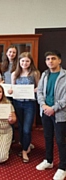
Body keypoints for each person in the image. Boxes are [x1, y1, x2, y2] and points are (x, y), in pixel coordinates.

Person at [36, 50, 66, 180]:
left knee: (60, 140)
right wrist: (43, 106)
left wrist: (54, 108)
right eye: (48, 59)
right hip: (45, 111)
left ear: (59, 60)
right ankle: (49, 161)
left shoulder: (65, 76)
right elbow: (40, 91)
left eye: (53, 58)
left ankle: (63, 167)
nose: (50, 61)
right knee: (47, 137)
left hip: (60, 114)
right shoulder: (44, 74)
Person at [9, 52, 40, 163]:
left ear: (30, 62)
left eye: (27, 61)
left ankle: (24, 151)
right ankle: (25, 145)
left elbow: (39, 88)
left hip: (29, 104)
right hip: (17, 103)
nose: (24, 63)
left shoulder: (35, 73)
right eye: (22, 61)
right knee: (21, 127)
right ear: (19, 62)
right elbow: (12, 88)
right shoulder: (14, 74)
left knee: (27, 129)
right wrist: (11, 90)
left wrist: (31, 90)